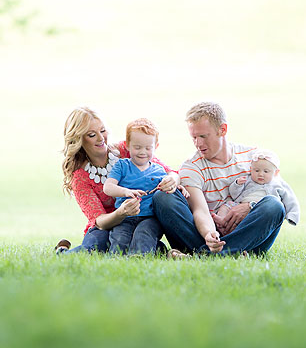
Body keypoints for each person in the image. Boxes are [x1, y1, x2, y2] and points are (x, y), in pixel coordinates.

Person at [153, 101, 287, 255]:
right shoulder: (191, 167)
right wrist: (209, 234)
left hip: (248, 236)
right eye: (194, 137)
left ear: (222, 130)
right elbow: (200, 211)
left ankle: (204, 256)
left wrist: (250, 205)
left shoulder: (254, 157)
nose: (198, 143)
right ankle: (225, 253)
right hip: (203, 238)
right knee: (163, 197)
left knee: (274, 205)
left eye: (203, 136)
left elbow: (280, 192)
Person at [56, 107, 181, 255]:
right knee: (97, 246)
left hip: (139, 217)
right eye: (92, 135)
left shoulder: (125, 150)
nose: (101, 138)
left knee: (142, 239)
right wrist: (121, 213)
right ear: (79, 140)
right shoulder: (80, 177)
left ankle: (162, 252)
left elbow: (167, 171)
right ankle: (62, 252)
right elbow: (99, 220)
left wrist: (172, 179)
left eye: (102, 131)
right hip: (108, 224)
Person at [102, 118, 170, 255]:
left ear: (155, 146)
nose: (142, 152)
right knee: (120, 238)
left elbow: (169, 186)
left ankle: (138, 258)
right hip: (125, 217)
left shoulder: (159, 171)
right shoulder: (122, 166)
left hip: (149, 218)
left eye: (148, 148)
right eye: (137, 147)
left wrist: (180, 188)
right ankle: (116, 261)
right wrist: (126, 192)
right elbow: (108, 187)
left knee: (144, 235)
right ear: (127, 145)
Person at [228, 149, 300, 227]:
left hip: (261, 212)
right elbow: (234, 195)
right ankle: (221, 221)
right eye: (257, 170)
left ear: (276, 173)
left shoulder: (277, 184)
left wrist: (293, 215)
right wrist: (237, 184)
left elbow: (290, 198)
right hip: (240, 207)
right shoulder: (247, 180)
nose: (261, 174)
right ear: (251, 169)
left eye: (266, 171)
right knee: (225, 206)